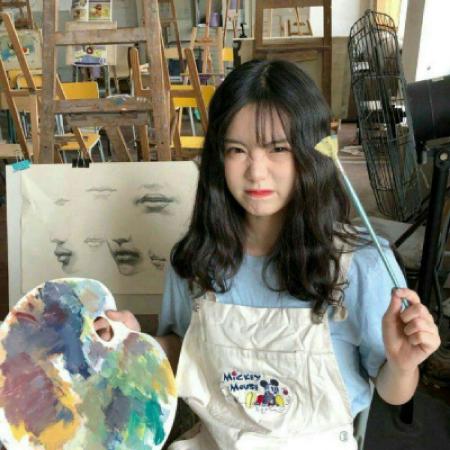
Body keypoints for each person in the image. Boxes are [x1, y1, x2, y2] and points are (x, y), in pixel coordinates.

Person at [95, 59, 441, 449]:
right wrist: (135, 344)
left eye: (278, 148)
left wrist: (403, 364)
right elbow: (181, 353)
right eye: (237, 150)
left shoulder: (362, 265)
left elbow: (394, 393)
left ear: (311, 153)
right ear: (218, 158)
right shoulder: (195, 259)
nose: (256, 173)